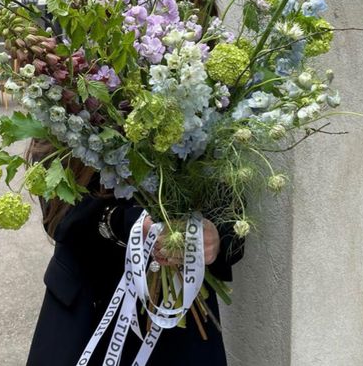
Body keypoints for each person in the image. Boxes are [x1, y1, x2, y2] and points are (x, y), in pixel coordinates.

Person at [26, 149, 245, 366]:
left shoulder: (212, 123)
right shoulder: (70, 117)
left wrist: (216, 237)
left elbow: (230, 194)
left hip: (181, 313)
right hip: (87, 304)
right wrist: (129, 223)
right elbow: (58, 211)